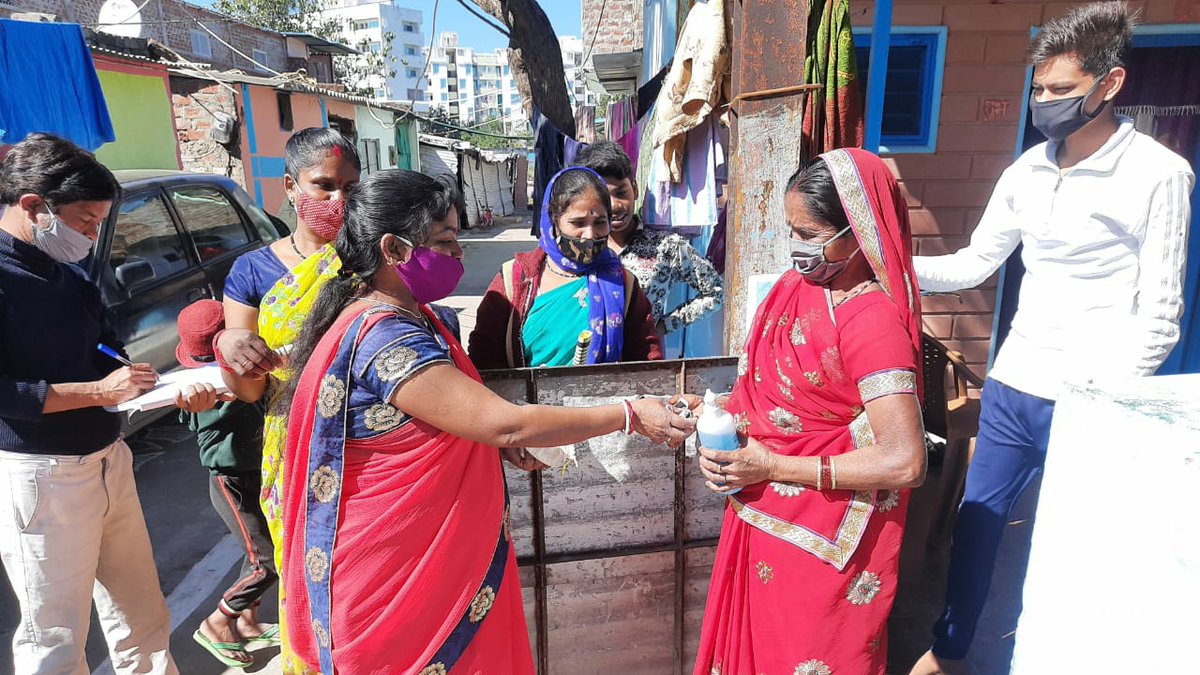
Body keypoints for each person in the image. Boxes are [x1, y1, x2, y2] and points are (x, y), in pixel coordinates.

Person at [279, 169, 695, 672]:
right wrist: (628, 414)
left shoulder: (416, 318)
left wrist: (490, 443)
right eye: (444, 241)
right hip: (395, 571)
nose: (459, 253)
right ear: (393, 249)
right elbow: (506, 423)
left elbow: (457, 420)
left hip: (429, 558)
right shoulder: (386, 339)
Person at [908, 5, 1195, 673]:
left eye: (1062, 89)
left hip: (1093, 398)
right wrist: (891, 264)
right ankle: (948, 650)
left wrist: (1105, 399)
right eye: (1038, 89)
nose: (1044, 102)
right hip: (1014, 386)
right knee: (977, 523)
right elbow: (973, 264)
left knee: (1078, 541)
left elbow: (1161, 316)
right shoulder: (1026, 171)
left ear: (1110, 84)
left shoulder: (1159, 174)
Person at [691, 148, 927, 675]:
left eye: (810, 234)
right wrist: (710, 412)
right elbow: (777, 400)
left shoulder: (871, 321)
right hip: (761, 515)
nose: (797, 247)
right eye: (791, 231)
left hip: (823, 541)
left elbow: (906, 461)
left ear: (859, 229)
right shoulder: (791, 289)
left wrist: (772, 465)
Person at [0, 134, 176, 673]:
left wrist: (150, 385)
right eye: (85, 221)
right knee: (53, 637)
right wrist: (100, 392)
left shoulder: (67, 274)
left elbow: (105, 347)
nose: (93, 236)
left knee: (142, 616)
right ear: (34, 206)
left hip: (108, 460)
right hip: (43, 477)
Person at [214, 127, 361, 670]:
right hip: (294, 442)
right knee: (305, 568)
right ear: (290, 186)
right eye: (324, 185)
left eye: (350, 186)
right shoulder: (252, 272)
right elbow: (247, 389)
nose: (338, 199)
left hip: (367, 437)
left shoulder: (373, 258)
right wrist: (232, 349)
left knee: (362, 574)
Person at [172, 299, 280, 667]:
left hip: (255, 472)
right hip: (232, 482)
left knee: (259, 551)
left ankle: (247, 622)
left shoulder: (240, 379)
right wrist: (215, 397)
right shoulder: (201, 390)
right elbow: (212, 409)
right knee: (267, 561)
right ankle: (218, 622)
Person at [470, 166, 662, 369]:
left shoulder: (622, 283)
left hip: (605, 391)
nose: (590, 234)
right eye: (578, 223)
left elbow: (646, 357)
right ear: (554, 219)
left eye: (599, 222)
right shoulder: (515, 279)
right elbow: (484, 356)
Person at [573, 141, 724, 340]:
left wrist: (662, 326)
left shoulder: (666, 247)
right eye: (603, 197)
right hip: (585, 352)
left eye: (621, 193)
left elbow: (715, 292)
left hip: (643, 355)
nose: (615, 205)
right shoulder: (578, 247)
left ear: (634, 189)